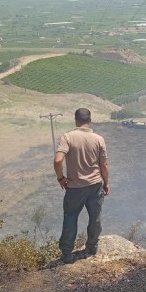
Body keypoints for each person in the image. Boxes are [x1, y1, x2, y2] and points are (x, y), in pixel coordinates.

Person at [54, 108, 110, 263]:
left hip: (74, 187)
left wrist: (61, 178)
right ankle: (92, 247)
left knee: (71, 218)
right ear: (90, 120)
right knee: (95, 217)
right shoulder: (98, 139)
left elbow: (58, 160)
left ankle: (67, 254)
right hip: (94, 185)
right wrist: (106, 183)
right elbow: (104, 165)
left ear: (75, 120)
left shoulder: (68, 137)